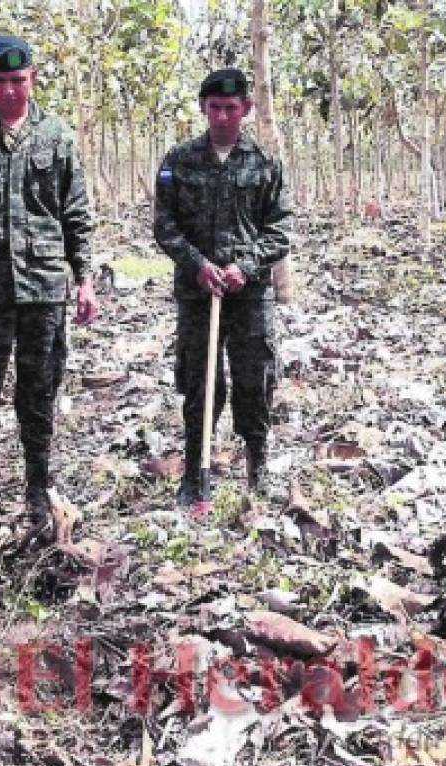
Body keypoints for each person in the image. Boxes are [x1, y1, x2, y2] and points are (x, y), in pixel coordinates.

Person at [0, 34, 97, 527]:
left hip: (44, 285)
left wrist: (85, 278)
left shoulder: (55, 134)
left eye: (18, 80)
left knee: (39, 391)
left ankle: (38, 485)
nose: (10, 90)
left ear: (33, 77)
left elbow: (74, 210)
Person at [154, 68, 292, 506]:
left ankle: (258, 469)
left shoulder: (265, 164)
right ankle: (195, 475)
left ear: (246, 110)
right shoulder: (179, 161)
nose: (223, 117)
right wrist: (197, 264)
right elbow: (164, 225)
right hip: (198, 294)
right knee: (200, 382)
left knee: (256, 380)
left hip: (250, 295)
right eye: (215, 108)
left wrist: (246, 266)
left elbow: (279, 229)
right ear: (203, 108)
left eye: (231, 109)